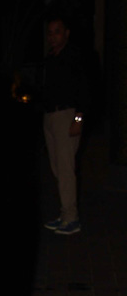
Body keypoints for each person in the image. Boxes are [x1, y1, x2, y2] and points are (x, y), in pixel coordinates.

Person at [43, 15, 89, 235]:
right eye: (50, 33)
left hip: (67, 116)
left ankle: (72, 218)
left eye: (57, 32)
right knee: (57, 168)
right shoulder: (51, 58)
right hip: (50, 116)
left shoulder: (75, 57)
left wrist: (78, 119)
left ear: (66, 33)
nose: (53, 37)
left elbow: (85, 90)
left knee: (66, 168)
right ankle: (65, 213)